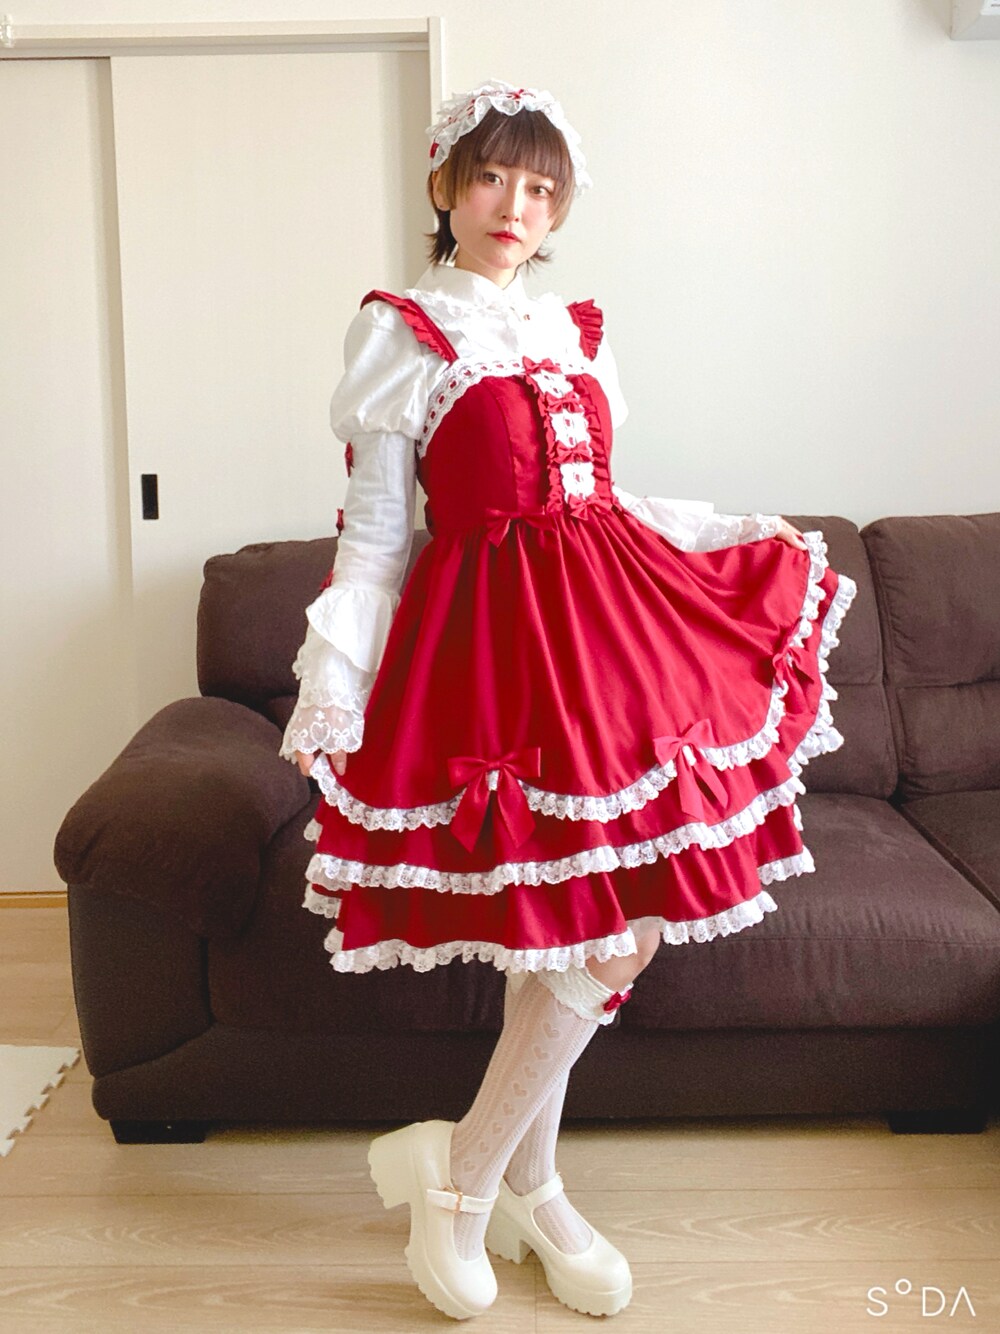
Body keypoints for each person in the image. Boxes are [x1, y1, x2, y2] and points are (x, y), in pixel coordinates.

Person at [279, 78, 858, 1321]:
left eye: (541, 187)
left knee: (617, 912)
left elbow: (601, 493)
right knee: (561, 920)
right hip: (489, 648)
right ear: (445, 185)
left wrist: (708, 539)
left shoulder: (572, 329)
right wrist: (337, 679)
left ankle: (473, 1173)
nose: (516, 205)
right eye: (493, 176)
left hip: (609, 631)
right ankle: (512, 1182)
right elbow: (376, 533)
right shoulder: (400, 331)